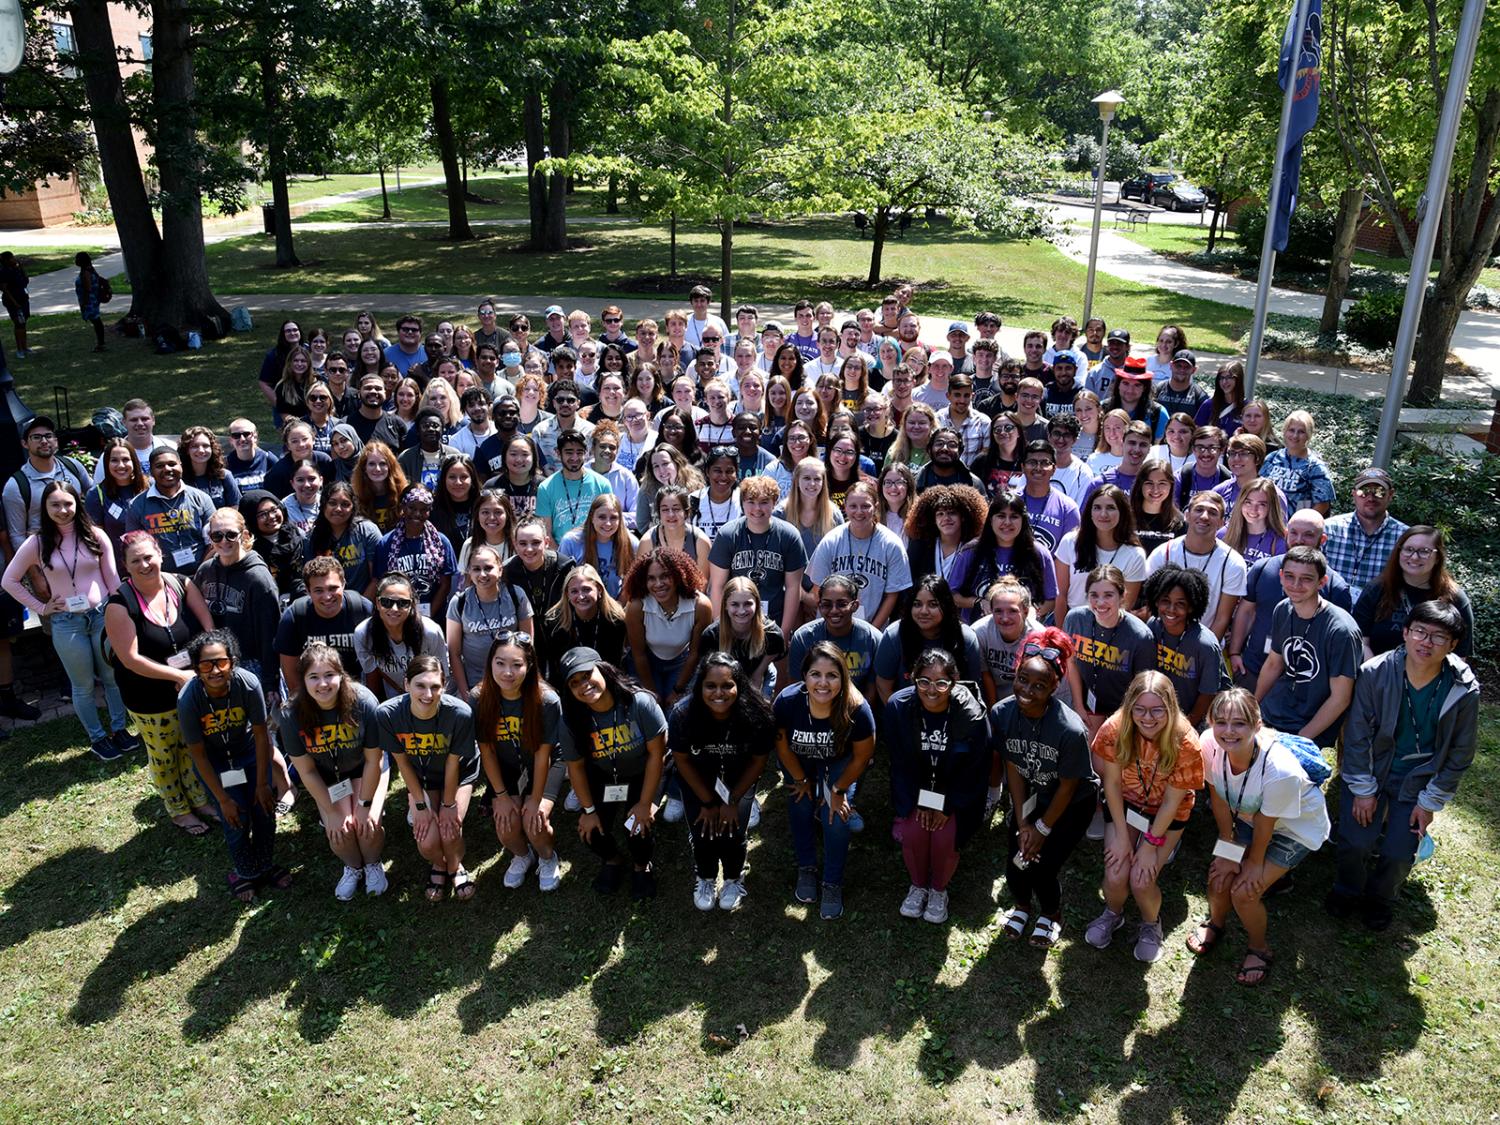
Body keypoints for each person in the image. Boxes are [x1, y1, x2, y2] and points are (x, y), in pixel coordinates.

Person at [1328, 601, 1479, 932]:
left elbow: (1460, 752)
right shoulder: (1375, 672)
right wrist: (1363, 790)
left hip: (1419, 782)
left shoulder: (1463, 689)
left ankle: (1380, 899)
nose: (1426, 642)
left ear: (1453, 645)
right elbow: (1357, 736)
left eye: (1439, 637)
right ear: (1406, 633)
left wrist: (1430, 802)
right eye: (1420, 632)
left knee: (1399, 851)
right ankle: (1347, 890)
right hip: (1374, 771)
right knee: (1356, 841)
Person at [1191, 689, 1331, 985]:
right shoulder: (1207, 743)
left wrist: (1254, 864)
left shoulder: (1280, 770)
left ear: (1257, 725)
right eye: (1221, 722)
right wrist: (1227, 845)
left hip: (1294, 828)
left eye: (1239, 723)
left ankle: (1259, 948)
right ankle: (1216, 924)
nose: (1229, 732)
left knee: (1244, 892)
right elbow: (1217, 799)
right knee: (1219, 877)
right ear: (1210, 722)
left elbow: (1267, 825)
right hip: (1248, 816)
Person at [2, 481, 136, 760]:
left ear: (77, 504)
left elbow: (112, 580)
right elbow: (9, 580)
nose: (63, 510)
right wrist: (41, 607)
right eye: (55, 505)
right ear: (46, 508)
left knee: (112, 677)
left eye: (68, 503)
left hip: (101, 617)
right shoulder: (37, 542)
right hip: (66, 622)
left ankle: (120, 729)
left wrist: (122, 611)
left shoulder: (95, 535)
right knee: (83, 685)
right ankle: (98, 738)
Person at [1085, 671, 1204, 963]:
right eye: (1139, 708)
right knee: (1115, 872)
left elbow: (1173, 802)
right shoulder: (1115, 728)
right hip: (1126, 804)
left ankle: (1151, 925)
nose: (1147, 717)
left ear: (1170, 707)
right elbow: (1110, 784)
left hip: (1168, 811)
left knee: (1141, 878)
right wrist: (1123, 839)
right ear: (1129, 706)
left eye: (1157, 710)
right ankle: (1113, 914)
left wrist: (1150, 846)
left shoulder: (1186, 741)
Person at [105, 532, 218, 831]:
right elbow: (130, 659)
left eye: (148, 557)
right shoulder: (119, 604)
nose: (144, 565)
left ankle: (198, 798)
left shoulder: (181, 583)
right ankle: (178, 808)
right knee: (164, 754)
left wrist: (203, 665)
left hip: (190, 685)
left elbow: (208, 627)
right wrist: (179, 675)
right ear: (125, 566)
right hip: (147, 694)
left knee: (191, 744)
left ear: (160, 554)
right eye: (136, 560)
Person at [993, 628, 1098, 947]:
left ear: (1055, 685)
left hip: (1071, 804)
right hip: (1032, 795)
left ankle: (1051, 914)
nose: (1028, 690)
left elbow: (1069, 786)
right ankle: (1022, 906)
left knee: (1043, 865)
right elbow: (1012, 765)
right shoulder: (1002, 714)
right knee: (1016, 860)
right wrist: (1023, 821)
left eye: (1039, 685)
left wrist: (1041, 828)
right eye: (1023, 679)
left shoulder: (1069, 729)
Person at [179, 630, 284, 903]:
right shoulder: (189, 700)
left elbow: (262, 735)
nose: (215, 670)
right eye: (206, 664)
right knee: (235, 819)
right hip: (215, 764)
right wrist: (222, 800)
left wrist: (263, 784)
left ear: (233, 662)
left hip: (249, 754)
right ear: (195, 668)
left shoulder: (248, 685)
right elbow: (198, 754)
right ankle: (244, 872)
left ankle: (264, 864)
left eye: (221, 662)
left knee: (264, 811)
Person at [774, 641, 878, 920]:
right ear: (804, 676)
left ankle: (832, 882)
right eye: (815, 675)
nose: (823, 683)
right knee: (801, 803)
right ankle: (806, 868)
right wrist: (800, 779)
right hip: (801, 764)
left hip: (838, 765)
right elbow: (782, 746)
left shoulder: (856, 708)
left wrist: (839, 790)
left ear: (842, 678)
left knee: (835, 815)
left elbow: (862, 756)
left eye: (831, 675)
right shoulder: (787, 701)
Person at [886, 648, 990, 925]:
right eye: (924, 681)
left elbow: (975, 770)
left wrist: (947, 805)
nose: (932, 690)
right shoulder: (899, 707)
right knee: (914, 831)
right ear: (913, 679)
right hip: (918, 788)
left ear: (954, 682)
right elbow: (899, 763)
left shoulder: (972, 716)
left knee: (944, 837)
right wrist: (921, 802)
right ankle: (918, 885)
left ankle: (938, 891)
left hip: (957, 793)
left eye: (941, 683)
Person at [278, 644, 390, 899]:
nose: (323, 684)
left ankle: (373, 863)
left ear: (341, 675)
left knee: (367, 825)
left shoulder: (363, 701)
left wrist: (364, 804)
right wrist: (330, 811)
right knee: (340, 832)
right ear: (303, 680)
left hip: (366, 769)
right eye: (314, 677)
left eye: (329, 675)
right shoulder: (291, 713)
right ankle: (353, 867)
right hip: (329, 777)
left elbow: (375, 760)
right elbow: (306, 771)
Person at [557, 647, 670, 899]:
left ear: (603, 670)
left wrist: (645, 803)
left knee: (638, 829)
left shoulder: (639, 702)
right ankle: (613, 860)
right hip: (604, 776)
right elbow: (575, 767)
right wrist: (588, 811)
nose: (583, 686)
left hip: (644, 771)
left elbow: (657, 755)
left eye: (587, 675)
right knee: (591, 832)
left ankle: (642, 865)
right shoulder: (571, 720)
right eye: (575, 683)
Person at [669, 653, 775, 911]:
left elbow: (758, 762)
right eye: (711, 686)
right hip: (697, 783)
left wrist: (731, 801)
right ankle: (705, 877)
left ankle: (732, 878)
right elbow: (682, 760)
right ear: (700, 686)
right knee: (703, 831)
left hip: (738, 782)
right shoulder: (683, 714)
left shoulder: (757, 713)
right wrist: (707, 801)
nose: (719, 692)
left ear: (739, 684)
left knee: (733, 831)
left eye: (727, 685)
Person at [378, 654, 481, 902]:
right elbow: (402, 763)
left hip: (456, 775)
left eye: (435, 686)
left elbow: (453, 764)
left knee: (449, 830)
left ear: (444, 686)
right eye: (420, 685)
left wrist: (448, 805)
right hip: (420, 777)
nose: (428, 694)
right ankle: (439, 864)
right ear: (406, 685)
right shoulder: (388, 714)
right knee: (426, 841)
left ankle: (455, 866)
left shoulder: (460, 713)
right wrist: (421, 805)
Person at [473, 632, 565, 892]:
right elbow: (487, 750)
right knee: (506, 825)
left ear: (530, 666)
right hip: (506, 765)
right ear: (490, 662)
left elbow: (543, 753)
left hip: (545, 763)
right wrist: (501, 795)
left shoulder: (547, 700)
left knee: (534, 822)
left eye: (517, 665)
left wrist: (536, 799)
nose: (507, 672)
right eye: (500, 663)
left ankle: (547, 857)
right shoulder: (479, 698)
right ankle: (522, 855)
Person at [708, 475, 807, 647]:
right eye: (751, 502)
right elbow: (717, 586)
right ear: (742, 503)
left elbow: (793, 587)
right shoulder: (728, 535)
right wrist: (721, 629)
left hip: (774, 620)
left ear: (775, 502)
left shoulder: (789, 536)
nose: (757, 508)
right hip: (736, 620)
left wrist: (783, 634)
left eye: (764, 502)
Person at [1064, 564, 1157, 741]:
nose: (1100, 603)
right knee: (1080, 745)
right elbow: (1072, 662)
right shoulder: (1075, 620)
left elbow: (1142, 687)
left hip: (1124, 711)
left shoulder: (1140, 636)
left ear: (1122, 597)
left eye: (1108, 595)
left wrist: (1119, 721)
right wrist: (1079, 706)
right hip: (1087, 705)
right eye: (1094, 595)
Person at [1353, 524, 1474, 658]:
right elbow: (1361, 641)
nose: (1414, 557)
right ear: (1399, 552)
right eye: (1408, 549)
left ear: (1438, 557)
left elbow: (1460, 655)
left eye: (1424, 551)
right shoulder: (1376, 589)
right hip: (1377, 673)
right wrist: (1376, 674)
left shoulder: (1455, 598)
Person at [192, 507, 283, 683]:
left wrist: (271, 679)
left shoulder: (259, 579)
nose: (224, 541)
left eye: (231, 535)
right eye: (217, 536)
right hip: (214, 663)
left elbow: (270, 634)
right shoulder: (205, 571)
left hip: (250, 664)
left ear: (245, 535)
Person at [807, 482, 911, 629]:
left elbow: (891, 596)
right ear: (845, 507)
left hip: (873, 626)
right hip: (831, 627)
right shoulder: (831, 541)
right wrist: (833, 626)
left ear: (875, 506)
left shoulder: (891, 544)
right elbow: (818, 589)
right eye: (853, 506)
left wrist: (872, 632)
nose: (859, 512)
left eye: (865, 506)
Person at [1145, 491, 1248, 640]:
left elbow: (1222, 619)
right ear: (1186, 515)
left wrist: (1200, 651)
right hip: (1161, 641)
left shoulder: (1233, 563)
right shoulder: (1163, 553)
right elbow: (1151, 606)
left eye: (1213, 513)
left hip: (1202, 645)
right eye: (1199, 510)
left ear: (1221, 522)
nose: (1204, 516)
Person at [948, 491, 1058, 623]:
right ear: (990, 519)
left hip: (1024, 633)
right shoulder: (971, 551)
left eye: (1014, 517)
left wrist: (1033, 611)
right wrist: (978, 602)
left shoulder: (1039, 553)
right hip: (978, 632)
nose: (1007, 522)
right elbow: (951, 595)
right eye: (1001, 516)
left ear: (1023, 520)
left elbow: (1051, 599)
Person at [622, 547, 713, 704]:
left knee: (677, 710)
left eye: (665, 576)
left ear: (678, 575)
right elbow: (639, 654)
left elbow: (694, 654)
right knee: (648, 706)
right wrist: (652, 693)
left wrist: (677, 690)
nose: (658, 584)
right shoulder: (637, 606)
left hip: (682, 663)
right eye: (651, 578)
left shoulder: (701, 605)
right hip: (646, 663)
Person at [874, 575, 984, 704]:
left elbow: (971, 689)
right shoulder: (894, 635)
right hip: (906, 714)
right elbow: (883, 686)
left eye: (933, 605)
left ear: (946, 606)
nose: (924, 611)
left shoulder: (966, 638)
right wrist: (903, 718)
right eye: (917, 604)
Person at [274, 557, 373, 694]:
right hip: (314, 693)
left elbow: (375, 666)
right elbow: (292, 676)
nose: (327, 597)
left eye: (333, 588)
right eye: (319, 590)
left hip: (357, 691)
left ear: (343, 584)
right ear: (308, 591)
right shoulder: (294, 617)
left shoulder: (362, 609)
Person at [1142, 565, 1223, 727]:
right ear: (1156, 601)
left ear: (1191, 606)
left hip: (1193, 720)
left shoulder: (1205, 644)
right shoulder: (1153, 626)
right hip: (1156, 716)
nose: (1171, 609)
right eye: (1165, 601)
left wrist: (1185, 726)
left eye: (1180, 604)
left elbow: (1207, 694)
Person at [446, 545, 533, 691]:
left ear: (500, 569)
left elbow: (528, 645)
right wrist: (465, 692)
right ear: (469, 571)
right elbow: (454, 653)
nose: (483, 574)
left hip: (512, 680)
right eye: (476, 569)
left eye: (488, 568)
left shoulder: (516, 595)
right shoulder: (459, 602)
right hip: (476, 683)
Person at [1054, 484, 1147, 612]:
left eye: (1110, 508)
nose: (1103, 514)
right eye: (1097, 508)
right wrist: (1062, 631)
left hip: (1110, 623)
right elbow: (1060, 595)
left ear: (1122, 513)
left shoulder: (1135, 555)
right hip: (1071, 620)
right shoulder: (1070, 542)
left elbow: (1125, 606)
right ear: (1089, 512)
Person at [787, 574, 884, 695]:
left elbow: (873, 689)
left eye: (841, 604)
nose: (834, 610)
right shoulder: (803, 638)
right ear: (819, 606)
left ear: (855, 606)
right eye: (827, 605)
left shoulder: (873, 639)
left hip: (857, 707)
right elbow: (796, 688)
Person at [355, 573, 449, 699]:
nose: (394, 609)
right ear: (377, 603)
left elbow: (441, 676)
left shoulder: (430, 632)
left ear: (412, 605)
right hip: (394, 697)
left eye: (402, 603)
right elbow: (373, 678)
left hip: (429, 696)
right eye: (386, 602)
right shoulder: (364, 633)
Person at [126, 447, 217, 576]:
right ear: (151, 471)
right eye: (159, 466)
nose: (167, 469)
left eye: (172, 464)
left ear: (181, 466)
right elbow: (134, 548)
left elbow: (214, 541)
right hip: (160, 579)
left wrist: (201, 572)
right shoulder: (137, 505)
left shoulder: (201, 499)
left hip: (202, 575)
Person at [1322, 467, 1408, 602]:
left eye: (1379, 492)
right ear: (1354, 494)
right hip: (1330, 611)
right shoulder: (1329, 529)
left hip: (1377, 616)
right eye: (1364, 491)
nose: (1371, 497)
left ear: (1390, 495)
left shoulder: (1405, 538)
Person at [536, 564, 628, 684]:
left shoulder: (615, 620)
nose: (581, 596)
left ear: (599, 590)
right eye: (574, 591)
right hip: (569, 685)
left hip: (607, 683)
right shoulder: (554, 623)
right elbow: (554, 668)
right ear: (567, 595)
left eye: (586, 589)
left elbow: (616, 665)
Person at [374, 485, 457, 617]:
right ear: (403, 507)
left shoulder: (441, 542)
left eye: (424, 509)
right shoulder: (386, 543)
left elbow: (445, 585)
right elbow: (382, 584)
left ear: (430, 511)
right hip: (397, 615)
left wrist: (427, 616)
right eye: (412, 508)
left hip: (434, 617)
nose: (417, 514)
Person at [303, 482, 382, 596]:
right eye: (332, 503)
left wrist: (360, 606)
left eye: (345, 504)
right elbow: (311, 582)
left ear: (353, 507)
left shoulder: (367, 531)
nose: (338, 509)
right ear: (324, 504)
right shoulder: (311, 539)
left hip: (363, 604)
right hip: (327, 603)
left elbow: (377, 578)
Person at [86, 436, 149, 570]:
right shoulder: (96, 494)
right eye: (114, 460)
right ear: (106, 463)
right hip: (117, 568)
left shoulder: (150, 487)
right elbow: (94, 539)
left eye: (126, 459)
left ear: (134, 461)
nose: (120, 465)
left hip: (150, 563)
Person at [559, 493, 637, 598]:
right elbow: (561, 582)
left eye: (613, 518)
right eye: (602, 517)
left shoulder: (630, 543)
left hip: (616, 605)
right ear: (592, 517)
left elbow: (633, 581)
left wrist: (620, 605)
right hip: (580, 604)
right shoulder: (571, 542)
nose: (608, 523)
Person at [1259, 410, 1334, 515]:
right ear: (1284, 431)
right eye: (1291, 430)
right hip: (1268, 523)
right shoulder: (1272, 458)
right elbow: (1259, 490)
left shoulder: (1315, 467)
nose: (1295, 436)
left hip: (1295, 528)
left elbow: (1323, 504)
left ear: (1308, 435)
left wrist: (1302, 526)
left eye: (1301, 432)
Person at [1220, 478, 1289, 566]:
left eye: (1261, 504)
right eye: (1248, 502)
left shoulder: (1280, 541)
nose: (1253, 509)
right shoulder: (1224, 534)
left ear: (1271, 507)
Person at [74, 251, 109, 352]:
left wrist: (85, 303)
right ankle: (101, 343)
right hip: (93, 299)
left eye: (77, 259)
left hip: (90, 301)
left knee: (96, 321)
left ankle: (101, 344)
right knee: (96, 321)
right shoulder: (90, 270)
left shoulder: (85, 273)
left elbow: (87, 289)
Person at [0, 250, 30, 357]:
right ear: (6, 260)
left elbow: (26, 281)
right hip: (14, 301)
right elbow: (4, 289)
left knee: (23, 323)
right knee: (18, 324)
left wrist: (21, 268)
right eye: (12, 258)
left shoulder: (16, 269)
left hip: (23, 298)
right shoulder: (4, 272)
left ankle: (25, 347)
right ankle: (19, 349)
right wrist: (14, 303)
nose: (14, 259)